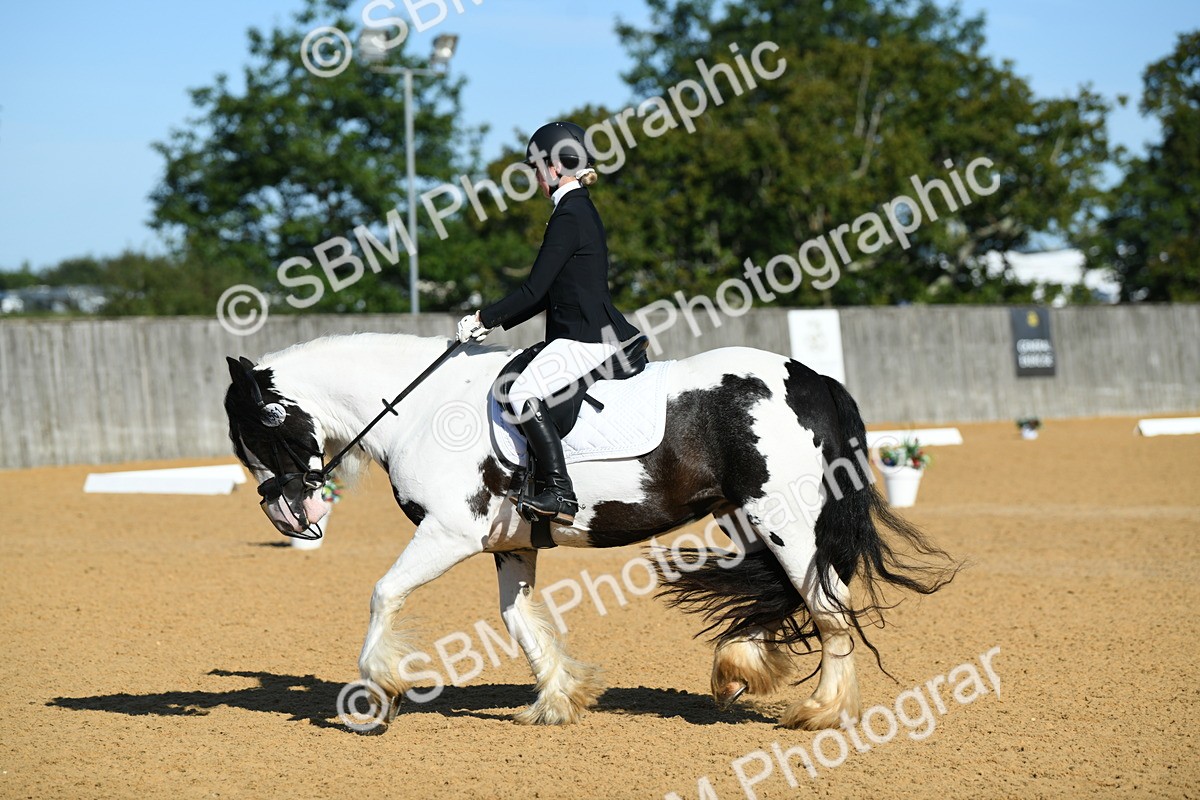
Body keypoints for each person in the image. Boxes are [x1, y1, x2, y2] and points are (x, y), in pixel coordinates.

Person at [456, 121, 640, 524]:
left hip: (587, 337)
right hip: (585, 332)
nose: (536, 178)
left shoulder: (570, 215)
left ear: (557, 167)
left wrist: (483, 319)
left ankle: (559, 491)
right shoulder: (575, 210)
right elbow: (544, 294)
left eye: (538, 169)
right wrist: (490, 323)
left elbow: (534, 290)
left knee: (522, 393)